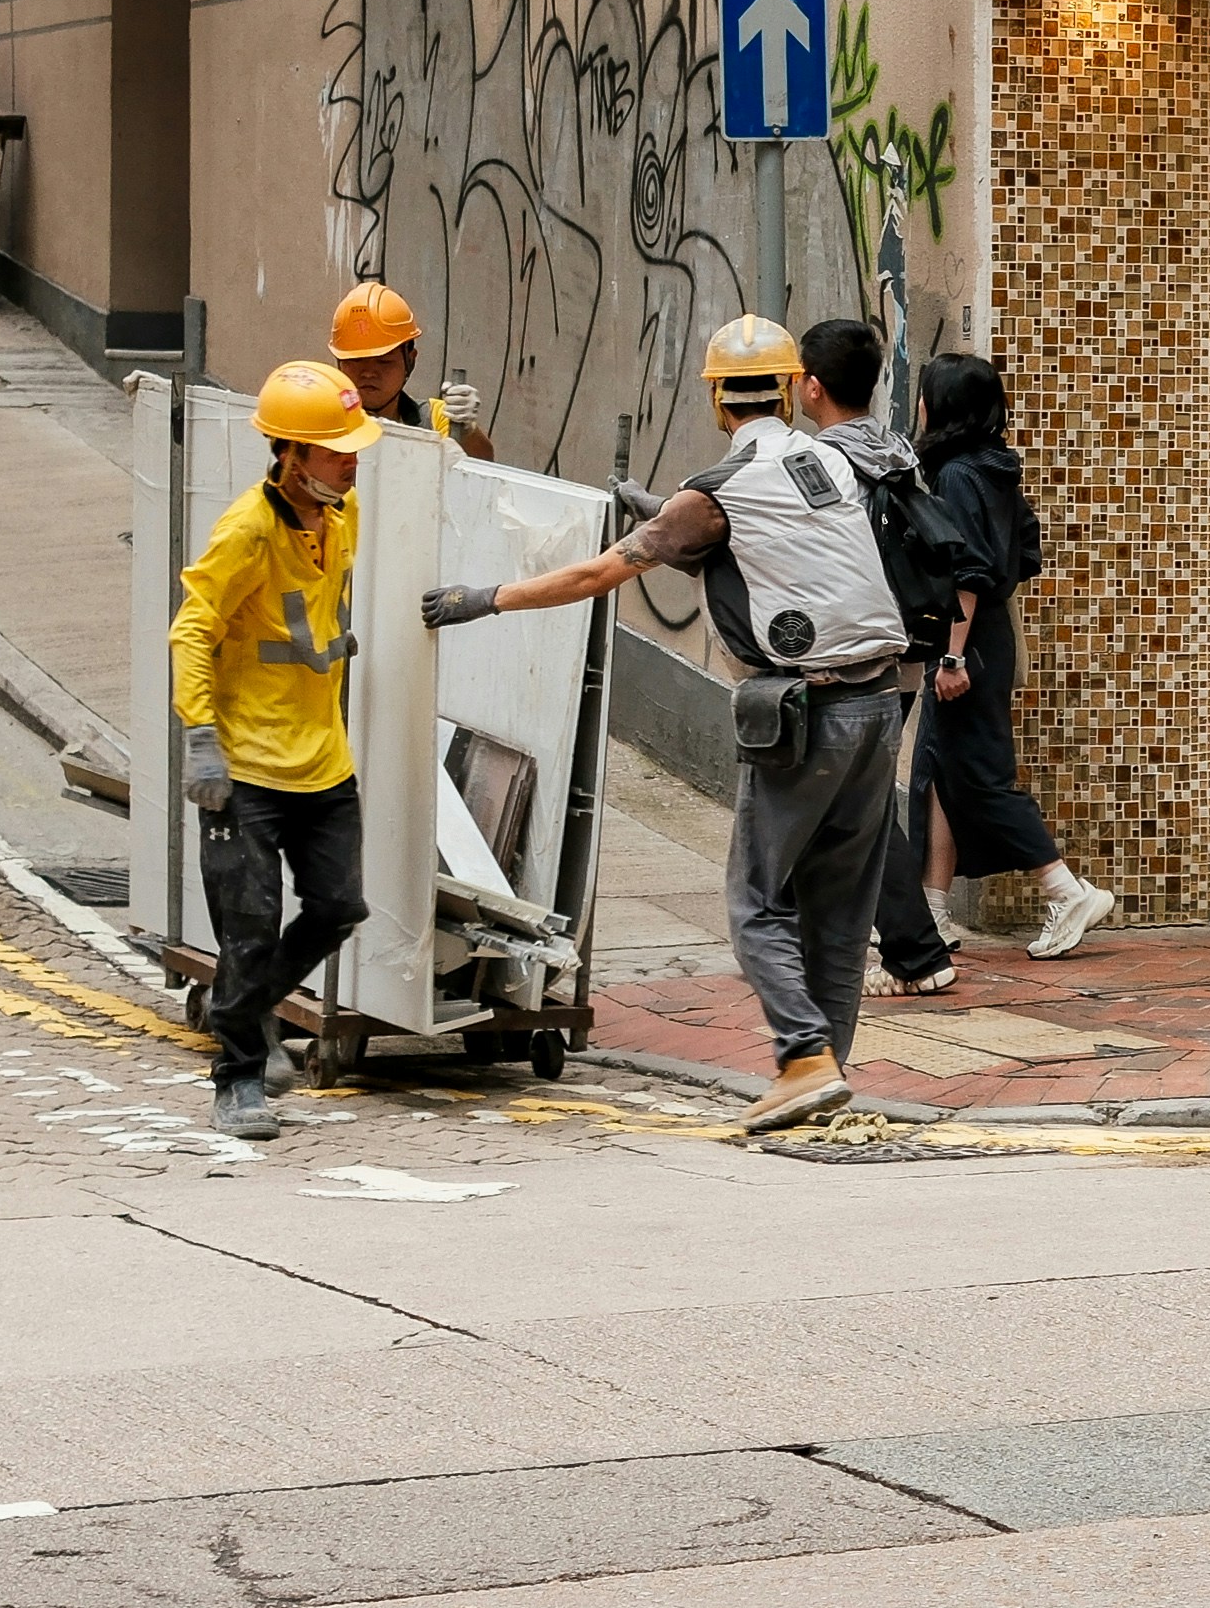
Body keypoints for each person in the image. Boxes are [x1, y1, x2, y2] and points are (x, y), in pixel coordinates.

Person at [422, 315, 919, 1133]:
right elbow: (775, 543)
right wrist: (677, 514)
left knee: (756, 901)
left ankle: (801, 1056)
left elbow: (601, 571)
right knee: (840, 909)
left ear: (718, 399)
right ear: (795, 391)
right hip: (879, 708)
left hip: (807, 710)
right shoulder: (829, 459)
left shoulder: (715, 489)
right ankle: (827, 1071)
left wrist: (484, 599)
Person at [835, 339, 1117, 975]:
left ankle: (1065, 891)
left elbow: (966, 567)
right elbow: (1021, 554)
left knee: (981, 776)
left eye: (927, 395)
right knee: (937, 770)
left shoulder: (960, 475)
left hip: (965, 639)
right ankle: (932, 905)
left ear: (944, 406)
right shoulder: (995, 465)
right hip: (977, 633)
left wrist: (953, 657)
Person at [172, 361, 384, 1143]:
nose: (351, 462)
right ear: (292, 455)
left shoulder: (343, 512)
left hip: (323, 761)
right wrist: (200, 738)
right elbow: (192, 629)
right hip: (247, 770)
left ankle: (253, 1010)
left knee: (338, 908)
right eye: (336, 452)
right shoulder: (247, 531)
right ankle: (237, 1079)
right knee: (250, 929)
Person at [327, 279, 495, 462]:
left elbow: (482, 466)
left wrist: (467, 431)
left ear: (410, 360)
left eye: (384, 362)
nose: (368, 373)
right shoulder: (318, 418)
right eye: (356, 360)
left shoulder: (433, 419)